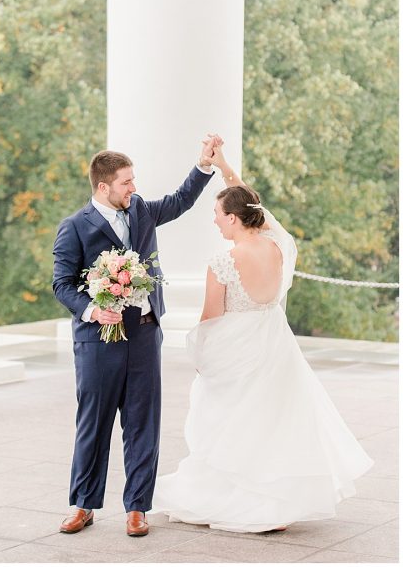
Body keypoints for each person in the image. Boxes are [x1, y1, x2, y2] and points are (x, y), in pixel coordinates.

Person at [152, 138, 372, 532]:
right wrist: (225, 168)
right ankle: (274, 504)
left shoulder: (223, 260)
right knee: (271, 421)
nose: (215, 221)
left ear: (234, 219)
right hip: (273, 343)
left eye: (218, 214)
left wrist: (201, 360)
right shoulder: (278, 247)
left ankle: (235, 500)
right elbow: (255, 206)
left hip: (237, 349)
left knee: (235, 424)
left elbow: (210, 317)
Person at [52, 142, 216, 538]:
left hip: (144, 334)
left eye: (133, 180)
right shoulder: (75, 226)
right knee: (94, 423)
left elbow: (179, 202)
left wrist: (203, 166)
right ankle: (83, 505)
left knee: (143, 422)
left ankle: (137, 508)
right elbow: (62, 283)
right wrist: (93, 309)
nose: (133, 187)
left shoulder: (141, 209)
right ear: (103, 187)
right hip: (98, 341)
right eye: (126, 182)